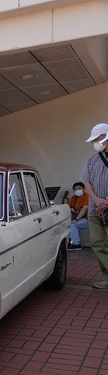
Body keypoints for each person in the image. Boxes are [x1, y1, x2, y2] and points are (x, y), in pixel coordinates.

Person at [81, 122, 108, 289]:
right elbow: (86, 182)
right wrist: (96, 200)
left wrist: (105, 202)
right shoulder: (91, 159)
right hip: (94, 209)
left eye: (96, 139)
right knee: (98, 244)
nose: (94, 143)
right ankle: (106, 277)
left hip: (103, 206)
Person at [67, 182, 88, 250]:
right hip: (79, 217)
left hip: (88, 218)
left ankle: (77, 244)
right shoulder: (73, 198)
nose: (77, 190)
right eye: (75, 189)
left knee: (73, 225)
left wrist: (75, 220)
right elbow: (67, 208)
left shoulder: (87, 196)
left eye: (79, 188)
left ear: (84, 189)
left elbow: (84, 209)